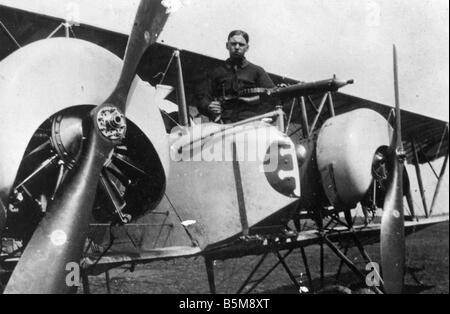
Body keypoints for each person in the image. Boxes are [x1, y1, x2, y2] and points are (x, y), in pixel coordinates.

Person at [196, 30, 276, 123]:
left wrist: (261, 115)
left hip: (251, 122)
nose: (237, 47)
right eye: (233, 44)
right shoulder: (216, 72)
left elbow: (273, 95)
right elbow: (202, 97)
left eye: (241, 44)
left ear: (247, 47)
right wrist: (208, 106)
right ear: (227, 46)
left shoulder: (257, 71)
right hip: (223, 122)